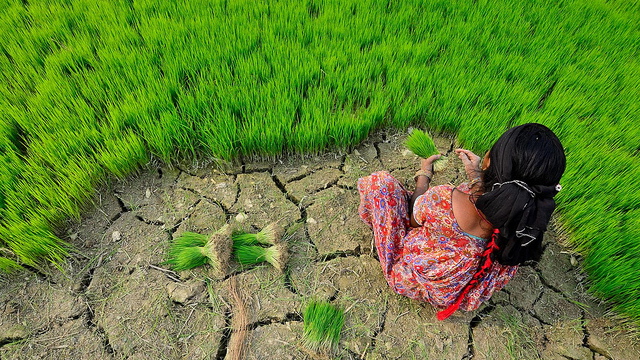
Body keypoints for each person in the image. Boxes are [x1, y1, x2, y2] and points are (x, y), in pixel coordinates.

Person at [357, 123, 566, 320]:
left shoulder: (442, 199)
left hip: (419, 280)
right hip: (461, 289)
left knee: (380, 184)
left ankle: (393, 263)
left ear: (487, 160)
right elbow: (495, 206)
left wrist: (424, 177)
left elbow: (412, 220)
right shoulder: (526, 218)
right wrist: (477, 177)